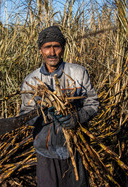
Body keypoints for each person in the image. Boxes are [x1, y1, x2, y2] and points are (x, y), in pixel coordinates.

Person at [19, 26, 99, 187]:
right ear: (41, 50)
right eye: (47, 47)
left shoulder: (78, 73)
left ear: (62, 48)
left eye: (56, 46)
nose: (52, 52)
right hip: (46, 151)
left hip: (76, 149)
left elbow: (93, 103)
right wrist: (44, 114)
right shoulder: (31, 80)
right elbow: (25, 115)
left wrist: (77, 117)